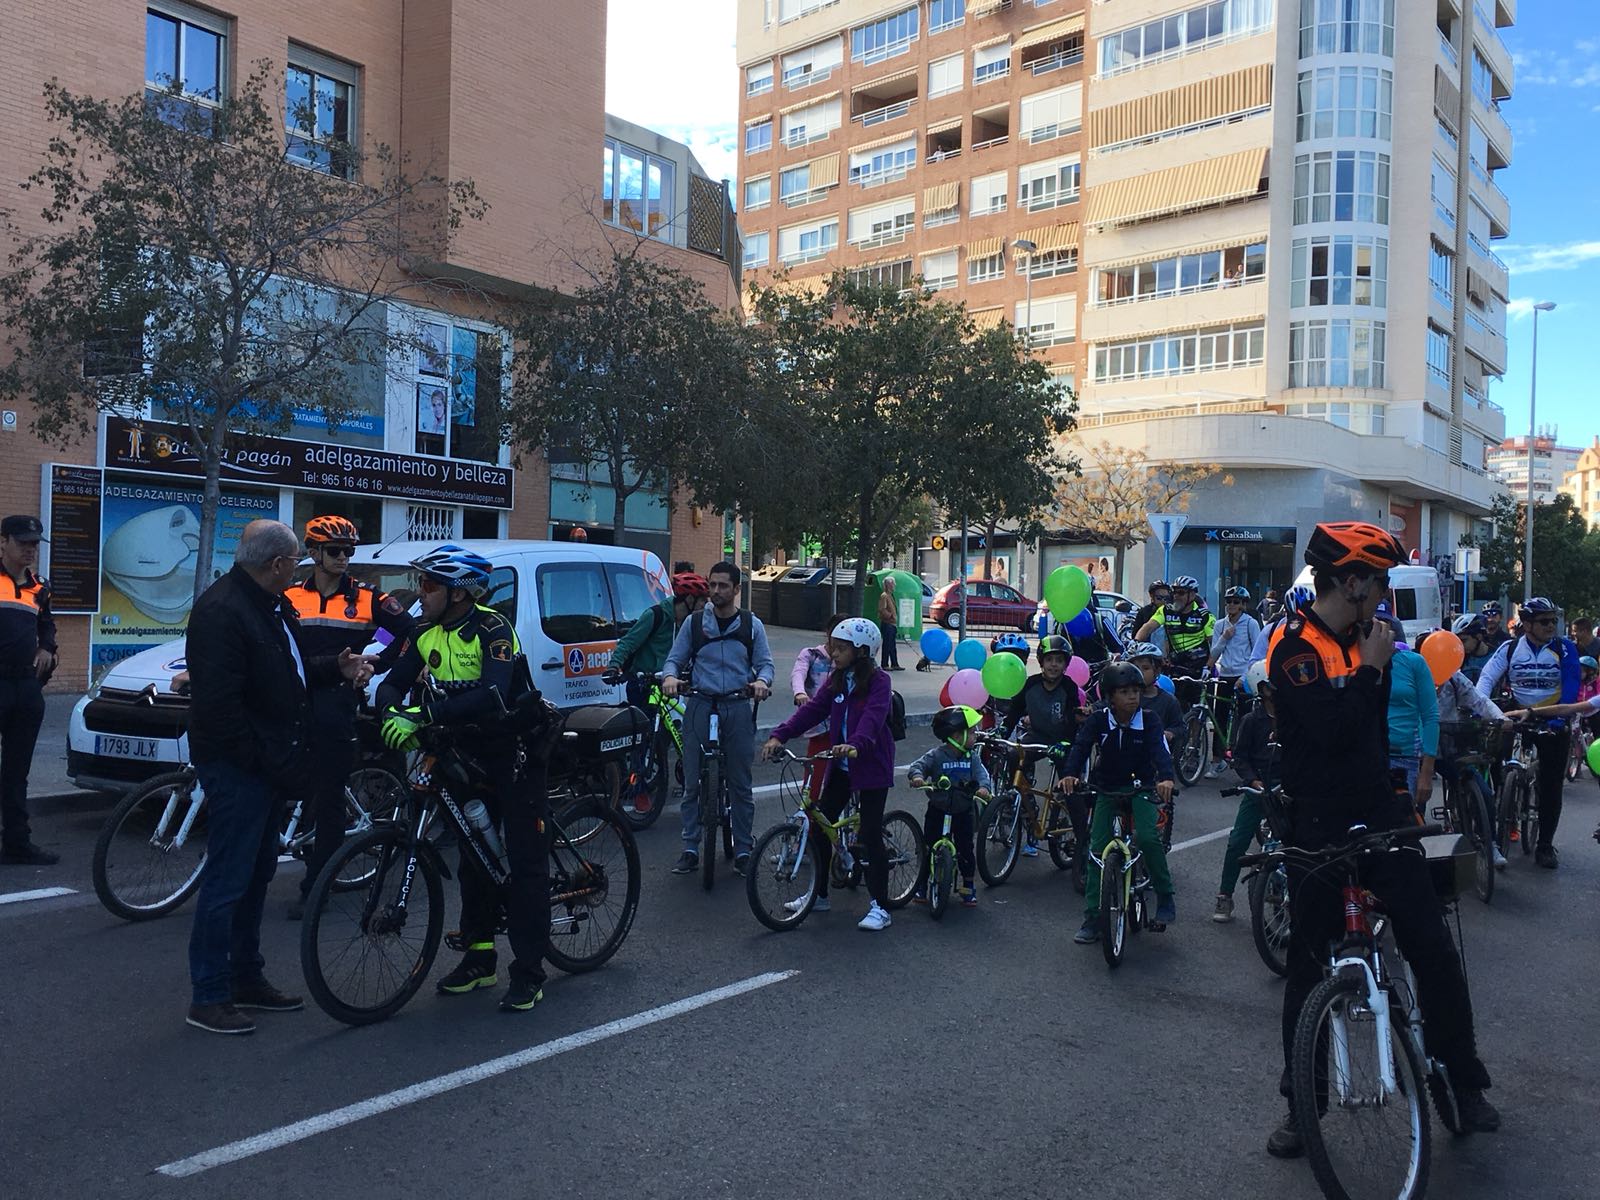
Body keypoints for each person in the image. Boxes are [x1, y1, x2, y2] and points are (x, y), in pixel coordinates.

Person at [1264, 520, 1495, 1157]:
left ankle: (1462, 1079)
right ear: (1352, 581)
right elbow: (1333, 734)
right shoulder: (1294, 647)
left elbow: (1369, 737)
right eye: (1381, 580)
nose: (1385, 593)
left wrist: (1375, 667)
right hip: (1315, 818)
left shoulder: (1376, 639)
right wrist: (1368, 670)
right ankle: (1301, 1106)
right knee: (1307, 969)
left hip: (1379, 809)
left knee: (1433, 946)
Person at [184, 519, 373, 1034]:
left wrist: (334, 666)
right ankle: (209, 995)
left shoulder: (271, 605)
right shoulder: (223, 611)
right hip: (241, 768)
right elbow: (220, 709)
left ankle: (247, 978)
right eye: (296, 561)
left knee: (255, 875)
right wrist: (264, 762)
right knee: (228, 878)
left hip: (269, 764)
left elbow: (285, 674)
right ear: (277, 564)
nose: (302, 568)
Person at [377, 545, 551, 1013]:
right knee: (473, 853)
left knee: (524, 860)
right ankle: (479, 958)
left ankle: (530, 972)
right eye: (421, 583)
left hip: (512, 747)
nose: (421, 593)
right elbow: (393, 680)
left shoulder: (493, 626)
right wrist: (392, 710)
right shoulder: (424, 631)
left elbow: (493, 691)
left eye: (429, 585)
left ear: (457, 593)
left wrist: (424, 712)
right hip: (464, 750)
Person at [283, 516, 414, 919]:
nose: (344, 558)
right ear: (313, 553)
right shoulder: (289, 596)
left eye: (349, 551)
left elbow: (409, 631)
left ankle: (316, 886)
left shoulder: (367, 597)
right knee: (293, 785)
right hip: (294, 702)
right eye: (335, 551)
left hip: (337, 703)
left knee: (327, 798)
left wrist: (379, 660)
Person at [763, 618, 897, 931]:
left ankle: (881, 906)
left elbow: (874, 719)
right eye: (832, 646)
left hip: (871, 763)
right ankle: (819, 895)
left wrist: (855, 744)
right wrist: (779, 735)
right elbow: (811, 711)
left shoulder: (879, 681)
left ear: (861, 650)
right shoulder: (837, 679)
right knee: (820, 825)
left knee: (869, 835)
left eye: (840, 648)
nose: (832, 653)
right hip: (842, 764)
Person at [661, 561, 775, 877]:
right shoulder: (695, 624)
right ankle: (690, 848)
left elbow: (765, 665)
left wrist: (762, 683)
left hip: (737, 705)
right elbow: (674, 660)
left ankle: (742, 849)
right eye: (712, 585)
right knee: (692, 782)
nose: (715, 591)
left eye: (723, 586)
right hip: (700, 703)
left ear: (737, 590)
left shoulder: (752, 625)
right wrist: (670, 678)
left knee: (740, 783)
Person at [1059, 661, 1177, 944]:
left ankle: (1165, 896)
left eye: (1136, 691)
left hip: (1142, 787)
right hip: (1107, 787)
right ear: (1110, 696)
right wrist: (1070, 775)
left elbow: (1160, 751)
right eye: (1124, 692)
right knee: (1096, 849)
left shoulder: (1149, 720)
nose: (1132, 697)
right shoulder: (1098, 720)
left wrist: (1166, 778)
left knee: (1148, 838)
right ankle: (1092, 917)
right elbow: (1080, 747)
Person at [1475, 596, 1581, 868]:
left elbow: (1571, 685)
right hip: (1517, 714)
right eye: (1544, 621)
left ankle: (1545, 845)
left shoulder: (1564, 648)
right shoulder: (1510, 649)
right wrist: (1482, 710)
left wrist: (1560, 716)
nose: (1551, 626)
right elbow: (1486, 679)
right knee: (1496, 762)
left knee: (1550, 784)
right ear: (1527, 624)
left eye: (1553, 621)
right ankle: (1502, 806)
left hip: (1553, 717)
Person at [0, 515, 59, 866]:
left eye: (35, 544)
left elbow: (46, 624)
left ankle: (17, 843)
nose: (30, 549)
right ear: (3, 541)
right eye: (23, 542)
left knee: (16, 771)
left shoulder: (40, 586)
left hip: (25, 686)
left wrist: (47, 647)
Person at [1004, 633, 1083, 857]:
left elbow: (1072, 718)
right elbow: (1015, 711)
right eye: (1049, 660)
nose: (1054, 665)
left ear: (1066, 664)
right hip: (1037, 736)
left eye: (1059, 660)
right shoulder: (1031, 684)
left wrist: (1066, 742)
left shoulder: (1068, 686)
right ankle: (1027, 802)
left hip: (1061, 740)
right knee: (1012, 754)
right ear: (1041, 662)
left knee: (1070, 785)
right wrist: (1003, 729)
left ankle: (1082, 840)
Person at [907, 705, 993, 908]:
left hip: (963, 810)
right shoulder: (936, 755)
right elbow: (918, 766)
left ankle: (968, 885)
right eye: (971, 732)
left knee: (965, 849)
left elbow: (982, 775)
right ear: (956, 735)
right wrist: (918, 777)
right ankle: (922, 884)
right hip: (938, 809)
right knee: (928, 846)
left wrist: (983, 788)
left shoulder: (972, 758)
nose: (975, 736)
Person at [1213, 659, 1280, 922]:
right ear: (1262, 689)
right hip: (1258, 789)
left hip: (1287, 790)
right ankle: (1224, 896)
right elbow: (1240, 758)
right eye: (1274, 685)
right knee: (1238, 841)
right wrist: (1253, 782)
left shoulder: (1295, 716)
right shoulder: (1252, 721)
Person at [608, 571, 709, 708]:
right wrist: (613, 667)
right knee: (646, 724)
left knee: (676, 725)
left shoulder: (691, 623)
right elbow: (628, 642)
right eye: (703, 600)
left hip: (670, 684)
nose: (705, 605)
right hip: (643, 684)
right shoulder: (656, 616)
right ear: (690, 599)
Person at [787, 611, 852, 802]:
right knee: (812, 788)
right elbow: (798, 674)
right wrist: (800, 693)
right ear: (827, 633)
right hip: (819, 732)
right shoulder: (811, 655)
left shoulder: (852, 662)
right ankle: (811, 827)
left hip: (845, 731)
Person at [1204, 585, 1262, 778]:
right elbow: (1214, 652)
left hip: (1244, 676)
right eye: (1228, 601)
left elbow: (1257, 653)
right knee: (1218, 717)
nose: (1231, 605)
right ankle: (1216, 761)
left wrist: (1245, 677)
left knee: (1244, 719)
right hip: (1224, 674)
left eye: (1236, 602)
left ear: (1243, 605)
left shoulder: (1250, 623)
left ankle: (1244, 760)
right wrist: (1223, 638)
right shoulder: (1220, 624)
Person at [1385, 621, 1439, 812]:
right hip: (1370, 757)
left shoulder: (1413, 663)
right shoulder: (1358, 662)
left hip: (1405, 758)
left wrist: (1426, 772)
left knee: (1408, 829)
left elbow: (1430, 716)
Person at [1134, 574, 1214, 681]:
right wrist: (1135, 643)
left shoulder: (1205, 615)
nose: (1176, 596)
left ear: (1192, 595)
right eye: (1174, 592)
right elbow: (1148, 627)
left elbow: (1215, 645)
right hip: (1175, 666)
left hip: (1199, 668)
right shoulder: (1166, 611)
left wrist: (1208, 667)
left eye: (1181, 593)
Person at [1453, 613, 1494, 682]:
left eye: (1464, 640)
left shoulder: (1496, 657)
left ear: (1479, 637)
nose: (1460, 645)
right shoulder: (1459, 660)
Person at [876, 576, 902, 671]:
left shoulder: (890, 595)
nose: (894, 585)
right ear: (888, 585)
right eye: (893, 583)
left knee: (892, 645)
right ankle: (885, 664)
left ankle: (894, 663)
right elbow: (882, 609)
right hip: (887, 624)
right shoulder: (884, 596)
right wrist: (890, 616)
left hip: (892, 624)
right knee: (887, 645)